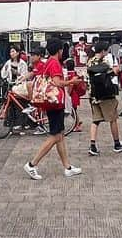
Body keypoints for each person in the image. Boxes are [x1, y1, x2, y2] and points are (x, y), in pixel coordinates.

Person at [23, 38, 83, 179]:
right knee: (55, 136)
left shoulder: (48, 61)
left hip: (51, 102)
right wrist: (71, 81)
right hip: (55, 102)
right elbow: (57, 82)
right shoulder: (55, 63)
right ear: (59, 50)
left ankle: (67, 167)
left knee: (60, 135)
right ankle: (32, 164)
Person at [87, 39, 122, 155]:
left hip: (93, 95)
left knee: (96, 120)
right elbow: (110, 73)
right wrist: (116, 70)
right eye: (106, 50)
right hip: (106, 95)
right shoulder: (104, 64)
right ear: (103, 51)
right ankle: (117, 144)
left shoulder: (90, 61)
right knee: (112, 119)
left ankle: (92, 145)